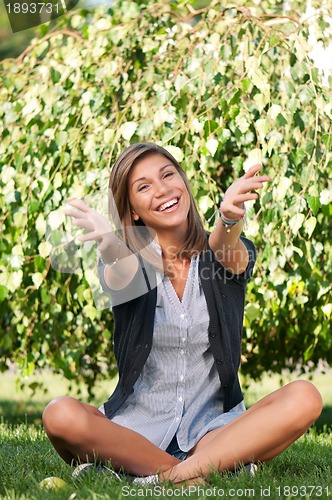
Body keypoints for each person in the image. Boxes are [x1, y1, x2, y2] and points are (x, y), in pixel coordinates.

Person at [42, 143, 322, 485]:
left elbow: (222, 247)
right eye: (143, 187)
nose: (162, 189)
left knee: (305, 396)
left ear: (183, 182)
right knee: (59, 413)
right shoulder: (128, 266)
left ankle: (156, 477)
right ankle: (209, 468)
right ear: (132, 212)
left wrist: (229, 218)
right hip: (137, 432)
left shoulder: (227, 255)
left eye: (167, 175)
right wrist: (113, 245)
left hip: (212, 431)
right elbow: (121, 271)